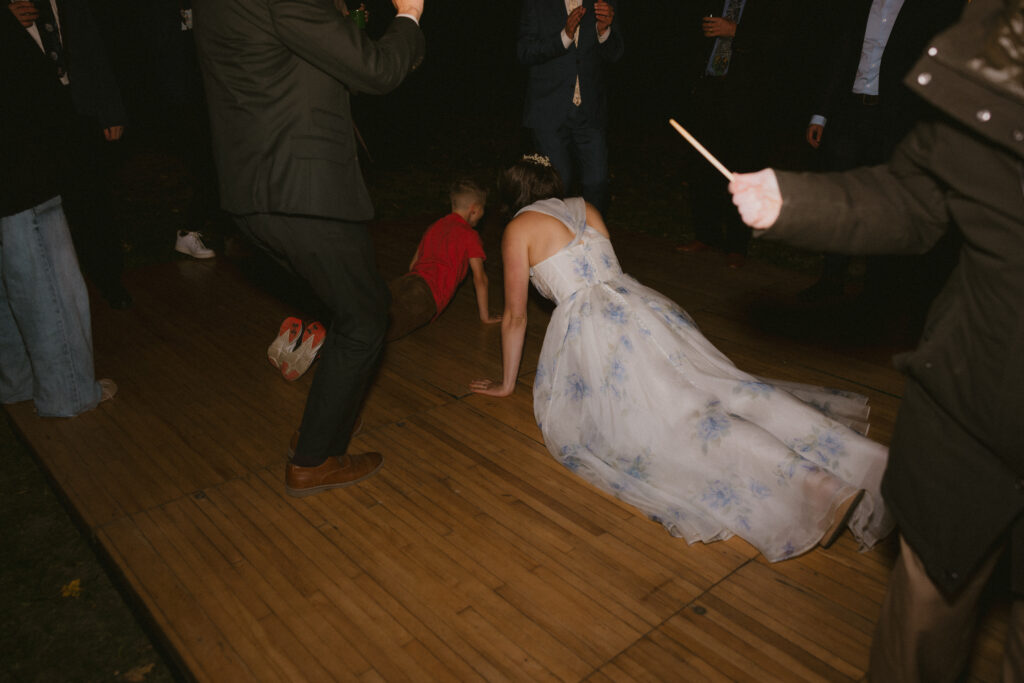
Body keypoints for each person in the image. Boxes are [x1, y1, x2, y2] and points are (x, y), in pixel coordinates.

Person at [729, 0, 1023, 676]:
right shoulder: (993, 75)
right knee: (920, 626)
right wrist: (795, 201)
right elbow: (915, 199)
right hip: (968, 418)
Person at [470, 155, 894, 561]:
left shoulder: (518, 228)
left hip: (597, 332)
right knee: (730, 391)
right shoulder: (587, 207)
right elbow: (605, 271)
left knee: (684, 422)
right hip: (645, 310)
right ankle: (874, 462)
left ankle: (819, 488)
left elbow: (515, 315)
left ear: (512, 192)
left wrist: (508, 383)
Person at [195, 0, 425, 498]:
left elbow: (294, 56)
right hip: (300, 191)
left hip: (254, 191)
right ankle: (313, 460)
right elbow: (377, 70)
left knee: (350, 309)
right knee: (366, 318)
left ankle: (323, 427)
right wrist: (409, 13)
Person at [798, 0, 963, 304]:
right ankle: (831, 279)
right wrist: (821, 114)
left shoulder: (925, 10)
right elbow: (841, 57)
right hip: (850, 114)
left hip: (891, 121)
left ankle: (875, 290)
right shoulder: (861, 6)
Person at [266, 179, 501, 381]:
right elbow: (480, 279)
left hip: (408, 280)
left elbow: (413, 263)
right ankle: (322, 344)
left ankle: (305, 332)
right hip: (427, 295)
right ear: (475, 209)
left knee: (366, 309)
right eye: (482, 211)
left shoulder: (435, 226)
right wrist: (485, 316)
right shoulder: (470, 236)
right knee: (375, 332)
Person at [1, 6, 116, 417]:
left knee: (10, 280)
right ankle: (67, 390)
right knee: (48, 280)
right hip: (20, 160)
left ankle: (17, 381)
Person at [8, 0, 132, 309]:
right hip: (27, 114)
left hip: (77, 104)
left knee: (93, 199)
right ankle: (49, 294)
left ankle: (109, 279)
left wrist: (110, 108)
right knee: (41, 205)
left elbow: (91, 42)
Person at [673, 0, 787, 269]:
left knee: (742, 170)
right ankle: (706, 235)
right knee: (702, 166)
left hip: (746, 99)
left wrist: (736, 31)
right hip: (708, 91)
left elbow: (781, 43)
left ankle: (737, 246)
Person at [516, 0, 623, 215]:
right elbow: (524, 52)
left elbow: (616, 54)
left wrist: (605, 31)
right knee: (558, 182)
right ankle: (558, 241)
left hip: (590, 110)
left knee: (597, 180)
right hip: (549, 108)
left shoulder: (602, 3)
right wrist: (564, 36)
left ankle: (589, 239)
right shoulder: (536, 4)